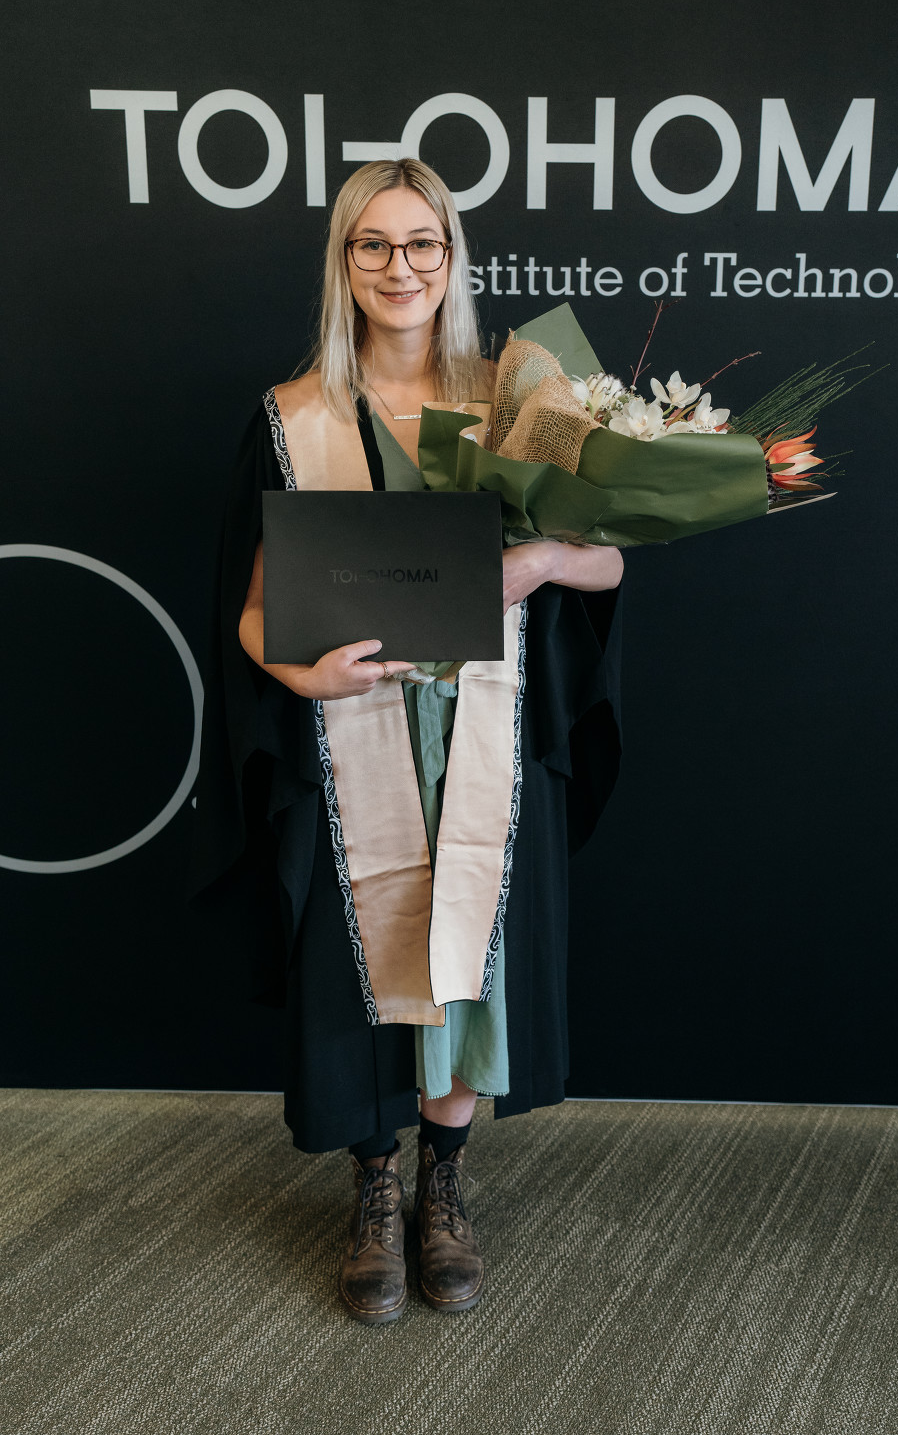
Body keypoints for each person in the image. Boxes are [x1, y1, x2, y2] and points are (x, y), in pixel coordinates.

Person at [191, 157, 624, 1324]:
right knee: (361, 957)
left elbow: (609, 558)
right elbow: (249, 606)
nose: (400, 267)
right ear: (344, 262)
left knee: (470, 957)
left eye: (422, 243)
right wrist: (303, 672)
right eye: (373, 244)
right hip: (353, 737)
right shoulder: (290, 416)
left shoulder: (521, 391)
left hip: (488, 731)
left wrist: (536, 559)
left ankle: (444, 1182)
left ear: (451, 257)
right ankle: (374, 1185)